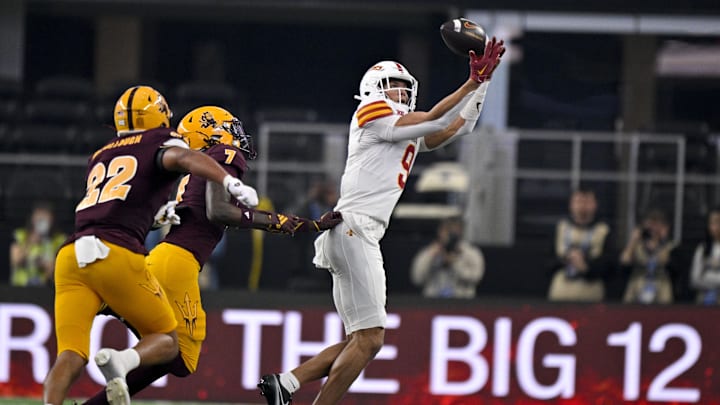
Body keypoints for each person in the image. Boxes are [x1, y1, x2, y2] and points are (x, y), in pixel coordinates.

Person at [258, 37, 506, 405]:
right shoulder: (370, 112)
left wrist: (483, 83)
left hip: (354, 230)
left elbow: (457, 127)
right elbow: (436, 117)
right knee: (371, 338)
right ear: (374, 89)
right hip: (356, 227)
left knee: (359, 339)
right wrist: (471, 81)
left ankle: (287, 384)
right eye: (395, 86)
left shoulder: (400, 129)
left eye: (407, 89)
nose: (402, 94)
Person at [82, 105, 342, 405]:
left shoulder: (195, 166)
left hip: (162, 259)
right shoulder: (225, 154)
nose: (236, 135)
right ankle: (116, 307)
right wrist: (285, 222)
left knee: (167, 356)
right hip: (177, 263)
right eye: (229, 127)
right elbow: (219, 211)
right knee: (183, 358)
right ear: (210, 132)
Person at [43, 87, 259, 405]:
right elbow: (183, 156)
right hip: (113, 253)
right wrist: (230, 182)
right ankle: (122, 361)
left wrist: (156, 216)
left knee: (70, 356)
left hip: (71, 255)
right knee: (169, 342)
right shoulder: (156, 140)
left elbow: (116, 200)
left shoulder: (101, 154)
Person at [546, 188, 614, 302]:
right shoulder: (560, 228)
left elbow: (609, 266)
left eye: (587, 202)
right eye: (578, 201)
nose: (582, 206)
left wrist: (586, 267)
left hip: (590, 295)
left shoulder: (604, 231)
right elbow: (546, 262)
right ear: (571, 205)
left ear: (595, 205)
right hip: (561, 294)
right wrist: (566, 259)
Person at [410, 216, 485, 298]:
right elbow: (417, 279)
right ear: (440, 231)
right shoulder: (430, 252)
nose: (449, 235)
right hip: (433, 302)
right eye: (447, 230)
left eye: (453, 231)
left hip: (462, 302)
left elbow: (476, 278)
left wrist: (454, 264)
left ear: (460, 232)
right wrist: (430, 257)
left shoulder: (471, 253)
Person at [620, 208, 679, 304]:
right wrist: (633, 240)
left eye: (657, 225)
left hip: (661, 290)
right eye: (651, 225)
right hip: (637, 289)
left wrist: (661, 243)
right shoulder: (637, 246)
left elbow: (668, 263)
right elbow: (624, 261)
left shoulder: (670, 247)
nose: (653, 229)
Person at [9, 202, 66, 286]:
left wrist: (42, 263)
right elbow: (15, 261)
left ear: (52, 219)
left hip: (46, 288)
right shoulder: (20, 235)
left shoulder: (59, 240)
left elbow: (57, 270)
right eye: (38, 215)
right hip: (20, 288)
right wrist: (30, 242)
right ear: (32, 218)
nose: (41, 219)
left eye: (45, 215)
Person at [689, 206, 720, 305]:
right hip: (704, 298)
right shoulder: (703, 249)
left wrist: (707, 276)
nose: (716, 227)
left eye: (718, 222)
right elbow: (695, 279)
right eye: (712, 223)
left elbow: (703, 277)